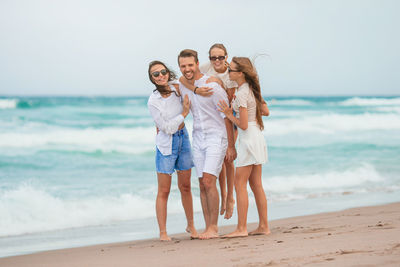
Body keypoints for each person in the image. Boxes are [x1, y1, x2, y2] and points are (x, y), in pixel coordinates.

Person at [178, 49, 237, 239]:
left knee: (210, 180)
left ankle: (213, 227)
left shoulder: (213, 85)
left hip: (216, 137)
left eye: (190, 65)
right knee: (202, 183)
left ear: (197, 64)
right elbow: (178, 82)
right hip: (198, 138)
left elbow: (226, 117)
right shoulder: (185, 85)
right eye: (183, 66)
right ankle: (206, 227)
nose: (187, 69)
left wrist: (231, 145)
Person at [218, 57, 271, 238]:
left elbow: (243, 124)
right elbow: (266, 111)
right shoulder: (250, 90)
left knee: (239, 184)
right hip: (257, 137)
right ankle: (264, 226)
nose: (228, 72)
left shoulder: (241, 93)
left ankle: (241, 228)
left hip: (248, 139)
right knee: (256, 184)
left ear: (240, 73)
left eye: (231, 70)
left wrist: (228, 113)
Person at [147, 60, 198, 241]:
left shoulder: (178, 88)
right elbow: (166, 128)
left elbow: (194, 88)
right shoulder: (153, 101)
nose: (161, 76)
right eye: (156, 74)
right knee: (164, 190)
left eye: (163, 72)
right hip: (165, 145)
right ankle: (163, 232)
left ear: (168, 72)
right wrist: (183, 115)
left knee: (185, 187)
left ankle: (191, 226)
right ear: (152, 79)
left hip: (183, 139)